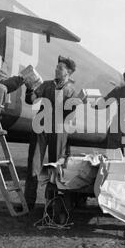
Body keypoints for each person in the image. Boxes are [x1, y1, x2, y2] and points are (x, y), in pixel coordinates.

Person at [24, 55, 78, 210]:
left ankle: (52, 203)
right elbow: (31, 99)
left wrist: (75, 104)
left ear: (68, 73)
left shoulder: (71, 91)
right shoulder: (46, 85)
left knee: (55, 166)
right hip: (40, 128)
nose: (56, 69)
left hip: (59, 130)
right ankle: (28, 203)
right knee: (33, 165)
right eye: (57, 67)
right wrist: (29, 89)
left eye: (60, 68)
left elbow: (68, 114)